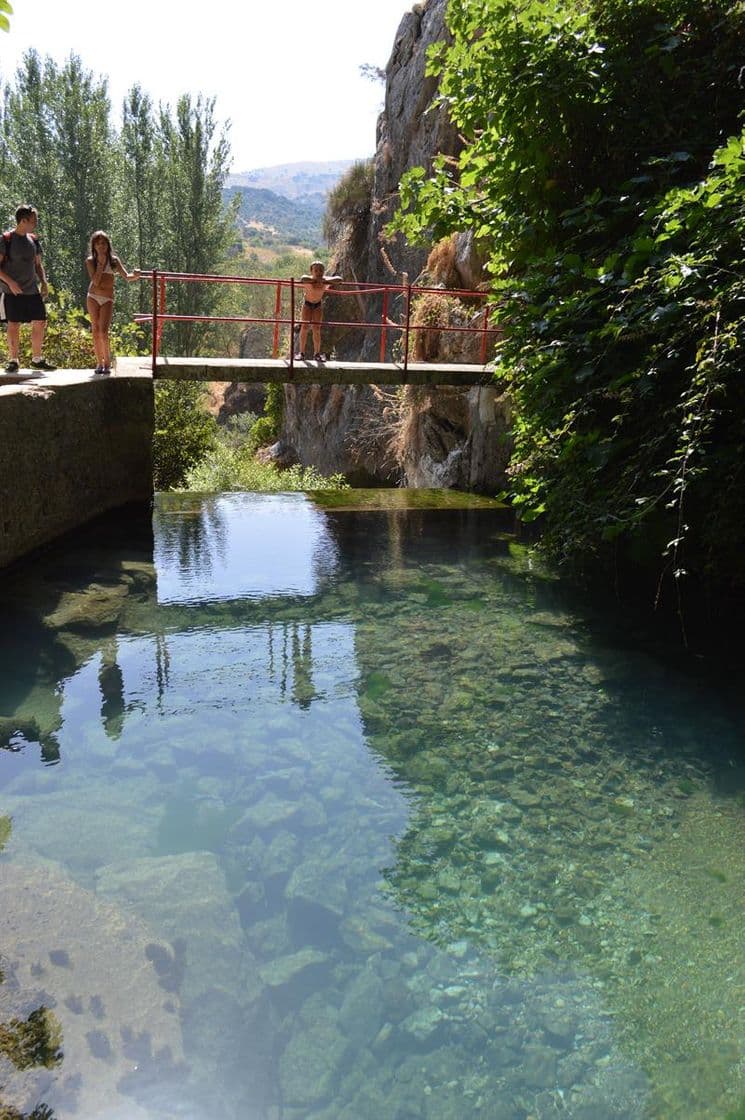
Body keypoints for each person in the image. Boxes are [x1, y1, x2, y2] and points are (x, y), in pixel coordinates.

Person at [0, 204, 56, 374]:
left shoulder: (33, 240)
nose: (36, 223)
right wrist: (10, 282)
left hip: (31, 289)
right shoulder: (6, 239)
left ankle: (37, 359)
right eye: (33, 220)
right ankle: (13, 360)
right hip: (12, 291)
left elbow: (38, 265)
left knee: (40, 320)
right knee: (14, 324)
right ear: (23, 220)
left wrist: (44, 282)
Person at [85, 230, 141, 374]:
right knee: (96, 330)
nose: (101, 247)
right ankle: (99, 363)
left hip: (107, 298)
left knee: (104, 331)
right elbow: (96, 282)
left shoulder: (114, 261)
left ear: (108, 245)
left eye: (103, 243)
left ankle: (107, 363)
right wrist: (100, 265)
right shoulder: (91, 261)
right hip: (93, 296)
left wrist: (136, 275)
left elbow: (127, 277)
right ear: (94, 246)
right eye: (97, 244)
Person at [294, 261, 342, 361]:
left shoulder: (325, 281)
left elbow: (339, 279)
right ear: (311, 271)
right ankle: (301, 353)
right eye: (316, 270)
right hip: (307, 304)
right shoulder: (309, 280)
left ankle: (317, 354)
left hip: (318, 305)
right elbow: (303, 278)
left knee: (316, 329)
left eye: (321, 270)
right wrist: (314, 280)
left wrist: (324, 280)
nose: (318, 272)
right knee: (304, 328)